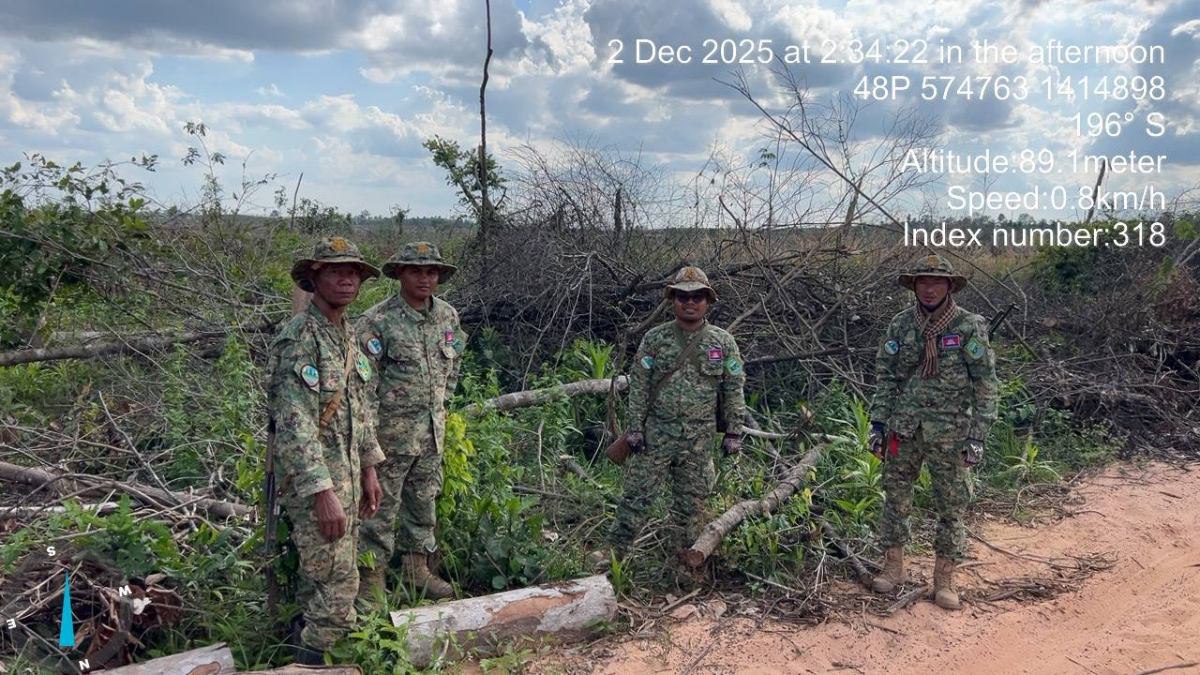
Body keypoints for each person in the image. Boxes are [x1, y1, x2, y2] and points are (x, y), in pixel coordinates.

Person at [267, 236, 385, 663]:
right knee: (339, 584)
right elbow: (295, 426)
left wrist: (369, 468)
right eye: (336, 272)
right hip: (318, 486)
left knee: (321, 579)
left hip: (348, 477)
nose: (347, 280)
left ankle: (304, 649)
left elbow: (359, 409)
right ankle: (322, 659)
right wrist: (322, 493)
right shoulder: (300, 338)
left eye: (353, 272)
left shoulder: (346, 333)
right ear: (314, 279)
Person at [868, 253, 999, 610]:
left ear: (949, 286)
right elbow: (886, 378)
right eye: (923, 282)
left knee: (951, 505)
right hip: (905, 427)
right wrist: (877, 424)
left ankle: (945, 580)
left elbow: (985, 383)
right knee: (896, 497)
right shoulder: (900, 325)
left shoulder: (968, 326)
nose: (929, 289)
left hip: (950, 431)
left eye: (937, 282)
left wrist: (978, 436)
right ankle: (893, 568)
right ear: (913, 286)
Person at [607, 265, 746, 565]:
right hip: (655, 434)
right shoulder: (655, 339)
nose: (690, 302)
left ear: (707, 301)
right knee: (636, 497)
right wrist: (635, 429)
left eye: (697, 297)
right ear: (673, 300)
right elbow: (640, 386)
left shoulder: (722, 342)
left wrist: (734, 431)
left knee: (692, 505)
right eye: (683, 297)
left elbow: (734, 387)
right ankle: (614, 555)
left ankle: (683, 563)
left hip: (699, 439)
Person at [357, 241, 466, 601]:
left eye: (431, 271)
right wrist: (369, 445)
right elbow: (363, 387)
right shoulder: (377, 321)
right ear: (400, 274)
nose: (424, 278)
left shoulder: (447, 316)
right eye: (416, 271)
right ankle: (371, 581)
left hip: (431, 434)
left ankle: (416, 570)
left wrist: (441, 407)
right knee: (378, 510)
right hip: (389, 439)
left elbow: (453, 364)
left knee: (423, 502)